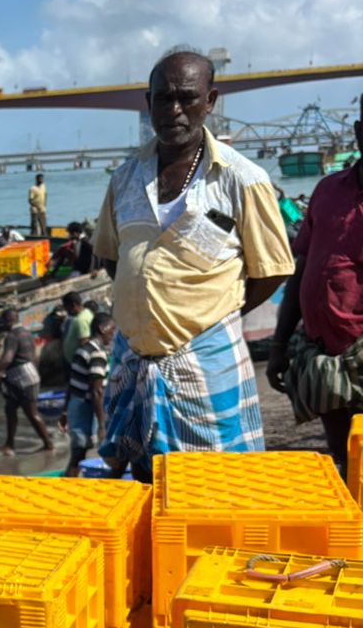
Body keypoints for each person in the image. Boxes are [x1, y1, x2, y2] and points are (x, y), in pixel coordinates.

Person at [93, 47, 293, 479]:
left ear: (210, 101)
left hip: (208, 362)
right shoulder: (125, 177)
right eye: (163, 98)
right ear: (148, 104)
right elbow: (113, 257)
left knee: (213, 485)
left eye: (187, 97)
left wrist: (213, 315)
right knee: (142, 483)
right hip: (133, 360)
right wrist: (145, 308)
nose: (175, 109)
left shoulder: (243, 179)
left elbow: (273, 268)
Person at [267, 95, 363, 470]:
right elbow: (303, 266)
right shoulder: (327, 191)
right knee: (342, 458)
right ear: (358, 134)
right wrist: (278, 343)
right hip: (323, 350)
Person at [0, 306, 56, 455]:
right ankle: (9, 445)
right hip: (28, 375)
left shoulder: (12, 336)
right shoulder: (27, 333)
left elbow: (7, 359)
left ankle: (48, 444)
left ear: (9, 321)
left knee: (31, 413)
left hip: (22, 378)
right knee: (10, 409)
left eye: (3, 321)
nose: (1, 324)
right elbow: (34, 357)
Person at [63, 311, 115, 476]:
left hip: (76, 403)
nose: (113, 334)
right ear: (102, 328)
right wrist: (101, 425)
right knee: (80, 454)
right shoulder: (97, 353)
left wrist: (65, 410)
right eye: (112, 330)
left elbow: (71, 383)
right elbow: (97, 391)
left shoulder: (83, 349)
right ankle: (68, 487)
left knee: (78, 451)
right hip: (86, 407)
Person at [60, 289, 93, 362]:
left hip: (79, 363)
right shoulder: (87, 312)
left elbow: (85, 343)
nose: (66, 310)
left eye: (66, 307)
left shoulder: (80, 320)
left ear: (74, 305)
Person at [28, 171, 48, 235]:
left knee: (43, 223)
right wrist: (35, 207)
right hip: (35, 208)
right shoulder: (32, 188)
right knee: (34, 224)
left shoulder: (43, 186)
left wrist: (44, 204)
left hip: (42, 208)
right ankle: (34, 235)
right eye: (40, 179)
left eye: (42, 179)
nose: (41, 180)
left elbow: (45, 195)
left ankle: (44, 234)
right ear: (36, 179)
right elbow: (30, 200)